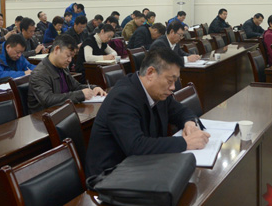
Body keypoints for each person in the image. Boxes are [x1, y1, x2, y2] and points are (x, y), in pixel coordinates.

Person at [85, 47, 210, 177]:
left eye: (175, 81)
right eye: (170, 81)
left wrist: (189, 123)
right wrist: (185, 143)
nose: (173, 87)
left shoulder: (158, 92)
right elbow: (136, 146)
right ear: (150, 73)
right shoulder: (123, 97)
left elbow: (181, 111)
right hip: (109, 177)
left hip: (141, 168)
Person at [27, 34, 105, 113]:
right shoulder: (39, 73)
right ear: (57, 50)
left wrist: (93, 88)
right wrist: (80, 95)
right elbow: (48, 100)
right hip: (44, 117)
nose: (70, 60)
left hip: (62, 112)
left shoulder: (62, 67)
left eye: (72, 56)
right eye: (68, 56)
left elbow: (76, 86)